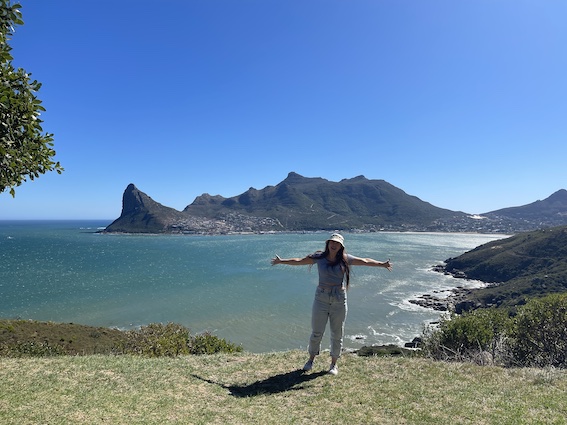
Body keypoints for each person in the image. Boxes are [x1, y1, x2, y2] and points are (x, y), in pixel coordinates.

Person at [271, 233, 392, 376]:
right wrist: (281, 261)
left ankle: (334, 364)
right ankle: (311, 360)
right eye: (332, 242)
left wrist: (382, 264)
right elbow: (299, 260)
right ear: (328, 244)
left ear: (341, 246)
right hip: (321, 298)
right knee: (317, 331)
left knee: (337, 333)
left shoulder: (346, 259)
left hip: (339, 299)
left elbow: (365, 261)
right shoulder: (319, 258)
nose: (334, 245)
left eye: (337, 243)